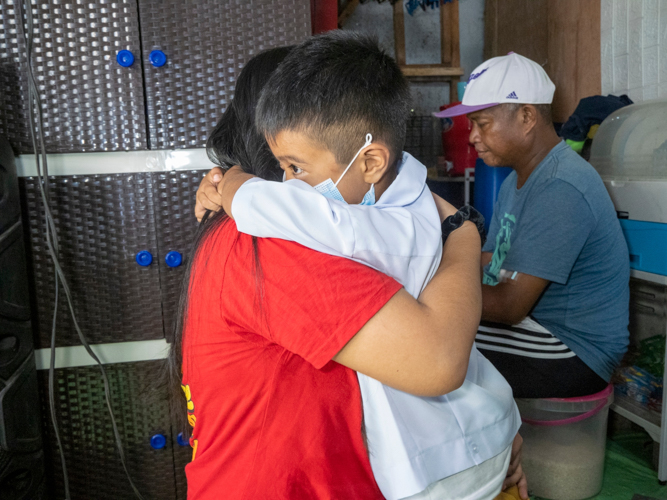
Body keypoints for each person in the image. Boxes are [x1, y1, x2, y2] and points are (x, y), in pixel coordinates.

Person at [185, 33, 526, 499]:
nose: (292, 181)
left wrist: (230, 183)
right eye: (286, 167)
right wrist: (462, 231)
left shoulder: (331, 222)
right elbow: (437, 360)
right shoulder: (269, 243)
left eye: (297, 166)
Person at [435, 52, 630, 398]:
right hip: (540, 330)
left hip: (575, 349)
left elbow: (510, 307)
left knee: (431, 341)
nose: (472, 138)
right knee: (429, 330)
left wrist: (424, 289)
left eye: (483, 123)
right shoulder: (516, 180)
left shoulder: (561, 185)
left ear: (526, 117)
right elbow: (494, 263)